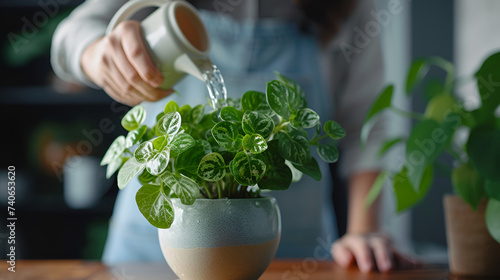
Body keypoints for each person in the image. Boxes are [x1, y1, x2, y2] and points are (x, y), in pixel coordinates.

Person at [51, 0, 417, 272]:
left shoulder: (350, 7)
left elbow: (366, 127)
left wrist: (364, 230)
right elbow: (69, 37)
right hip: (151, 255)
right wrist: (97, 54)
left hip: (293, 257)